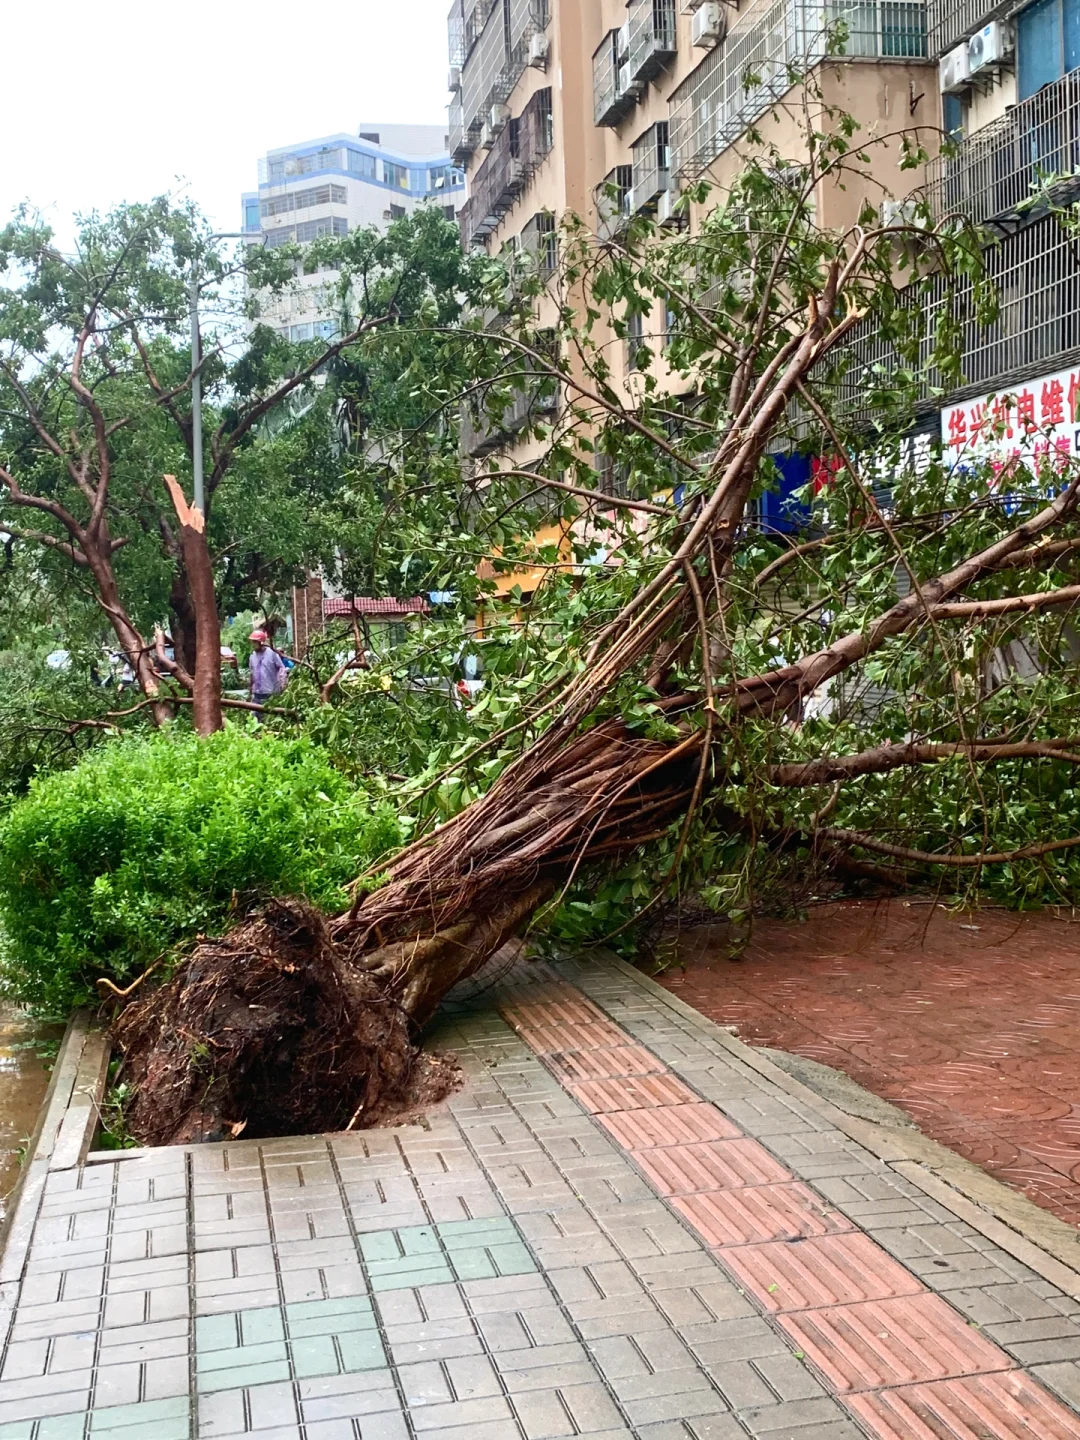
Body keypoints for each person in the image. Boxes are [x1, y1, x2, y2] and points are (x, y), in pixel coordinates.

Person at [248, 629, 287, 708]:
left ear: (261, 642)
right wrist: (250, 689)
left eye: (255, 642)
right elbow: (252, 674)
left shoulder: (272, 654)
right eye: (252, 642)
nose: (253, 644)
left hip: (271, 692)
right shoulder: (252, 657)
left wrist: (282, 683)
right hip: (257, 693)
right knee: (256, 717)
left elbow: (281, 668)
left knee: (270, 716)